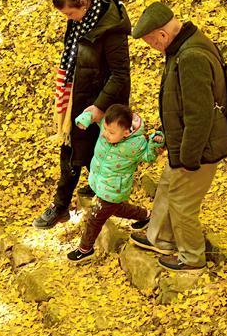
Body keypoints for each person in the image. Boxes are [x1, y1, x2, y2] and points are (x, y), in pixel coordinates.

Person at [128, 2, 227, 270]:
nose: (153, 47)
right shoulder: (185, 47)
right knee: (167, 185)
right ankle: (160, 238)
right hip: (188, 142)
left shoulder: (191, 58)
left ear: (162, 35)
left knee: (181, 202)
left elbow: (199, 116)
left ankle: (192, 258)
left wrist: (188, 158)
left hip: (200, 147)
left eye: (152, 42)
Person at [32, 0, 132, 229]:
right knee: (77, 150)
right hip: (78, 93)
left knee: (81, 151)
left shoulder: (111, 29)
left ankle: (62, 204)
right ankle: (72, 200)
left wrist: (98, 108)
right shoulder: (82, 19)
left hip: (100, 101)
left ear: (84, 3)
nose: (68, 19)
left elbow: (121, 75)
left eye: (69, 14)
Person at [67, 104, 165, 263]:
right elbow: (94, 115)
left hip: (114, 188)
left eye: (111, 132)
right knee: (116, 208)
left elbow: (148, 156)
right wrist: (85, 118)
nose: (105, 134)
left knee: (96, 218)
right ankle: (147, 216)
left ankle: (85, 249)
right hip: (101, 182)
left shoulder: (136, 144)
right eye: (105, 129)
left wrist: (155, 143)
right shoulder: (107, 126)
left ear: (126, 132)